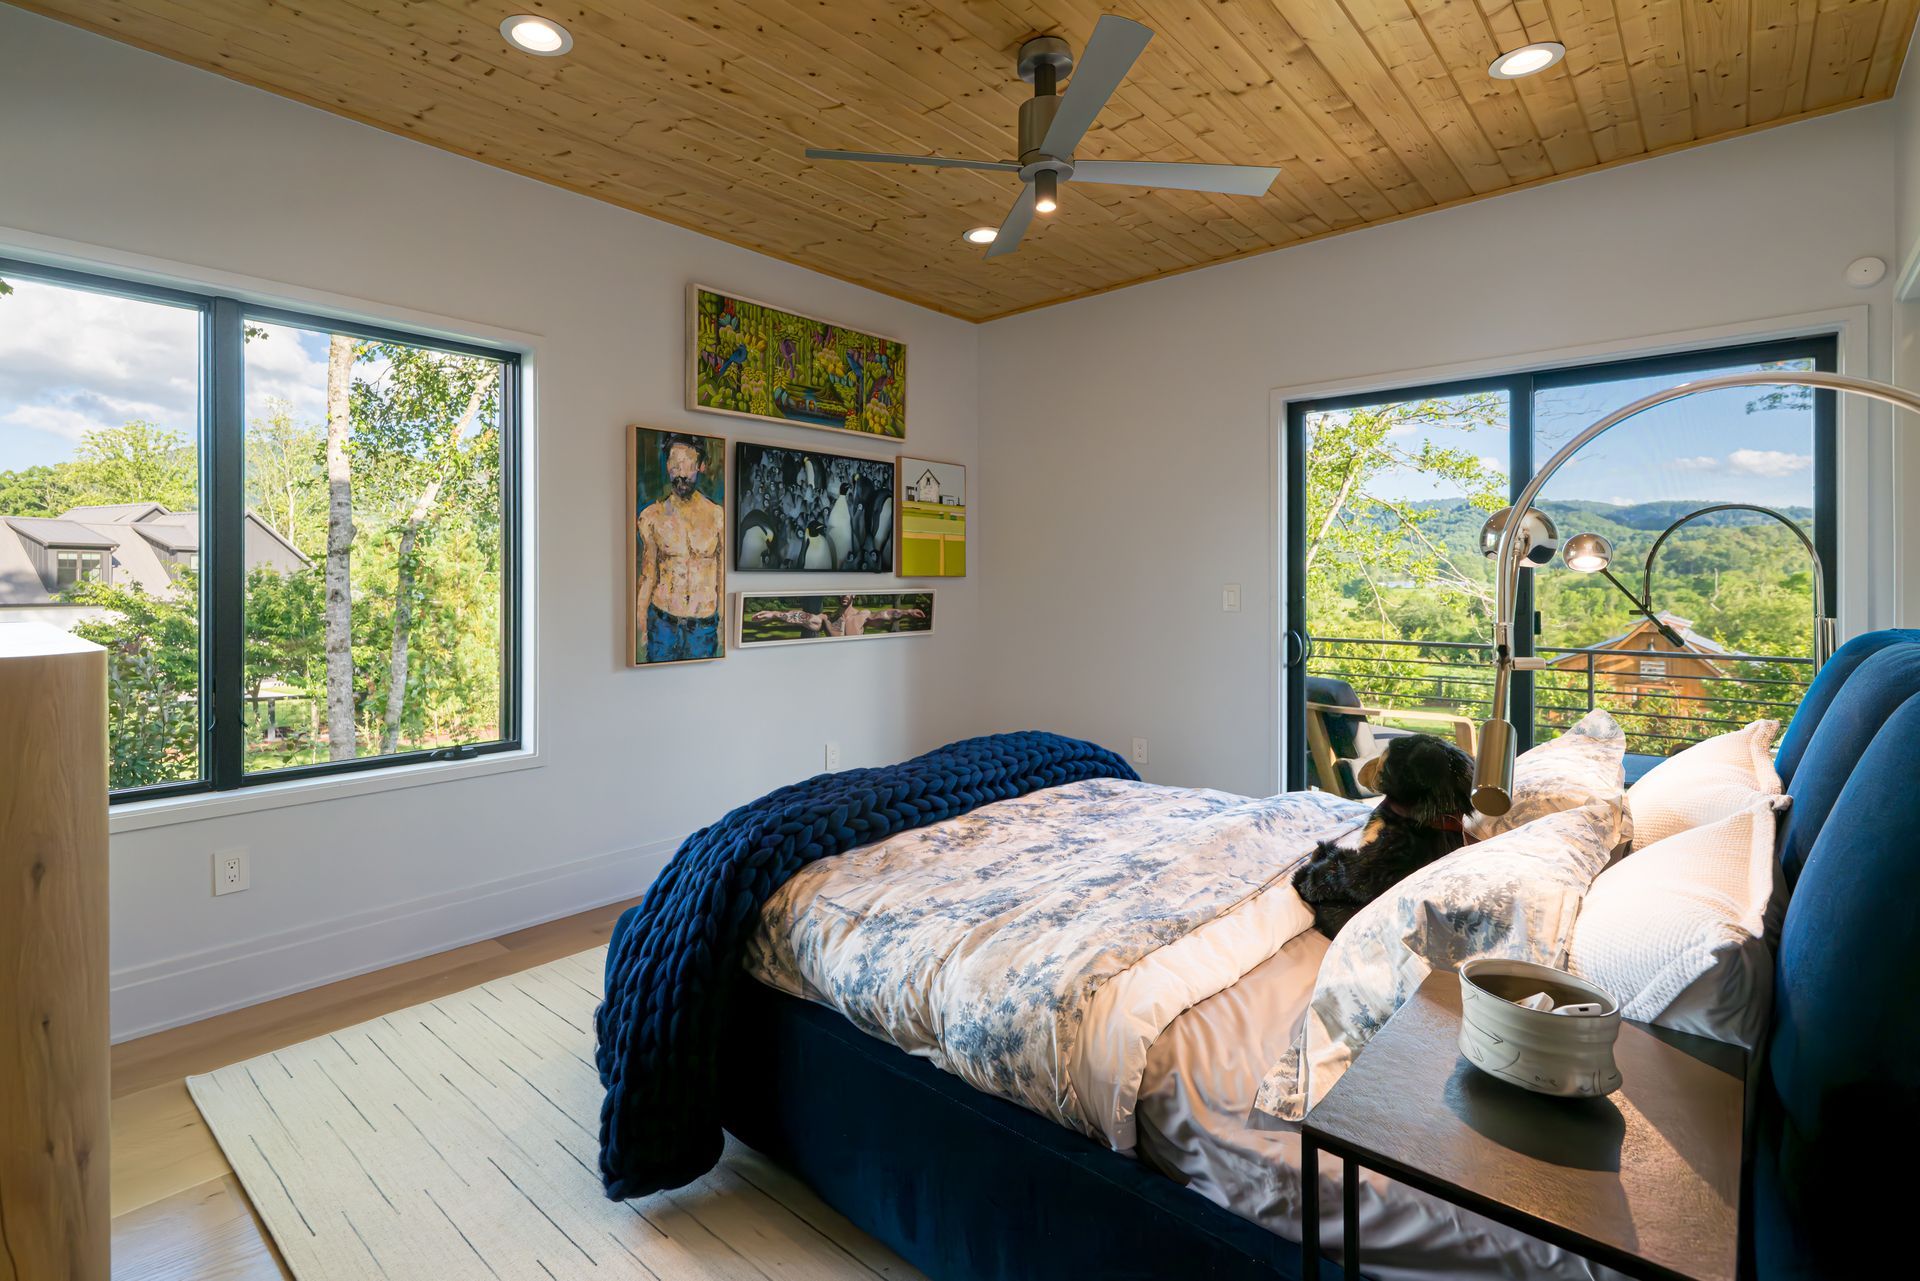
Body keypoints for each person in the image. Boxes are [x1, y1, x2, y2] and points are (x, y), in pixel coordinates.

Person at [636, 435, 724, 662]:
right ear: (667, 466)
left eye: (688, 465)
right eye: (675, 465)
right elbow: (647, 574)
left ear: (701, 466)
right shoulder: (651, 517)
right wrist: (641, 622)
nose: (681, 473)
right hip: (662, 622)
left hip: (703, 624)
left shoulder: (717, 517)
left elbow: (722, 574)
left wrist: (724, 621)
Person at [827, 593, 927, 636]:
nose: (844, 595)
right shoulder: (826, 617)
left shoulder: (862, 616)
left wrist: (908, 612)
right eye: (842, 592)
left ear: (853, 595)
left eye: (847, 592)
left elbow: (884, 614)